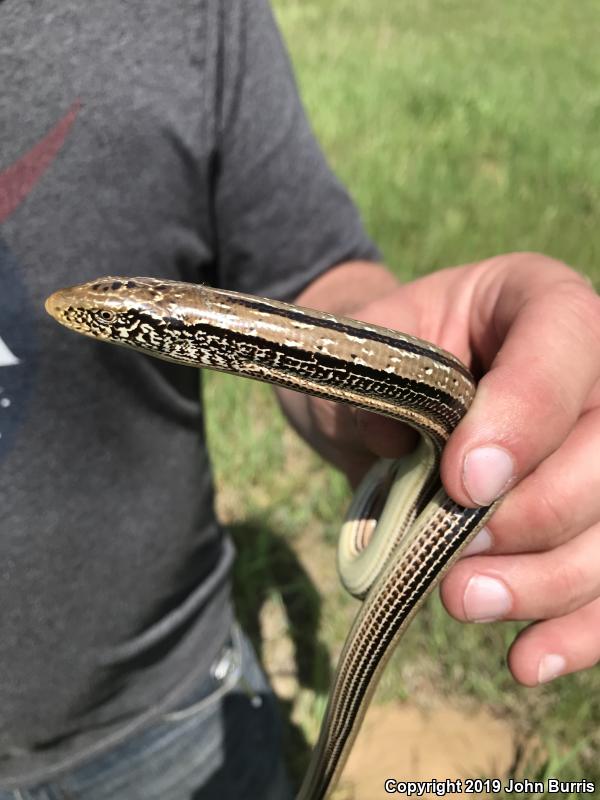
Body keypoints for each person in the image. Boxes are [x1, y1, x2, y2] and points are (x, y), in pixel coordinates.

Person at [0, 1, 598, 798]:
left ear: (158, 326)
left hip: (164, 711)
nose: (91, 319)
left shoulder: (194, 19)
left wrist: (400, 343)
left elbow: (310, 272)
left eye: (112, 317)